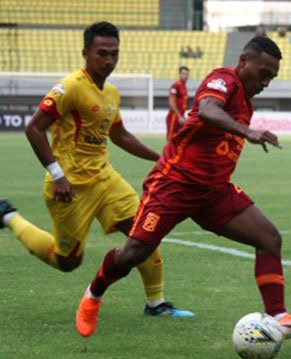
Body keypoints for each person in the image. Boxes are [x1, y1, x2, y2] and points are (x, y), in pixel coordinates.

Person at [75, 36, 291, 339]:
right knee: (134, 253)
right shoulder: (223, 80)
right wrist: (248, 132)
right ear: (244, 61)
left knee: (269, 237)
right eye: (263, 73)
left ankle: (279, 316)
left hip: (214, 192)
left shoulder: (247, 99)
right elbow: (207, 109)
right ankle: (93, 295)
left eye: (271, 77)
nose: (266, 82)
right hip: (174, 184)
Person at [0, 22, 192, 318]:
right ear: (85, 53)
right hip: (70, 188)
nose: (109, 60)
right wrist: (57, 174)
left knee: (145, 233)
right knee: (68, 262)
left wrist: (161, 157)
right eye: (102, 53)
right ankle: (9, 216)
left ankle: (156, 303)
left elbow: (120, 136)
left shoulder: (111, 93)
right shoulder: (71, 87)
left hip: (106, 179)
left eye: (114, 54)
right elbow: (34, 129)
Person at [166, 66, 189, 141]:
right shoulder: (176, 86)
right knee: (171, 139)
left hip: (180, 117)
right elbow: (171, 102)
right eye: (183, 74)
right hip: (174, 117)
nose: (185, 76)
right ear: (179, 74)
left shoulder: (184, 87)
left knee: (180, 138)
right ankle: (167, 153)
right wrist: (179, 116)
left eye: (186, 74)